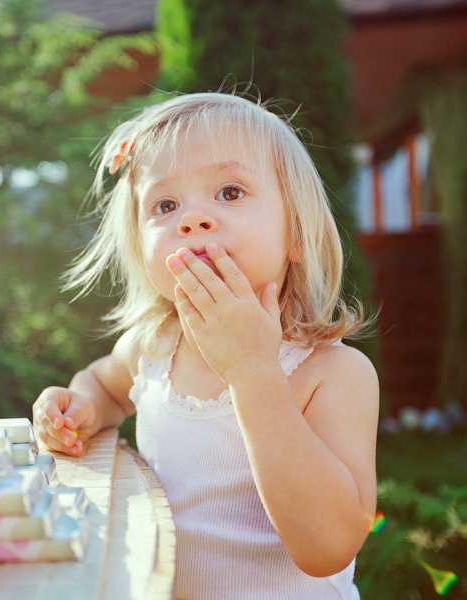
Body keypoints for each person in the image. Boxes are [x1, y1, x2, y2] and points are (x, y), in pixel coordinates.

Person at [32, 92, 379, 599]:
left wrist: (254, 372)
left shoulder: (332, 373)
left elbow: (328, 547)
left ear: (297, 232)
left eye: (231, 192)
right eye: (166, 205)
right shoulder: (153, 347)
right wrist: (81, 406)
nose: (192, 219)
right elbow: (105, 387)